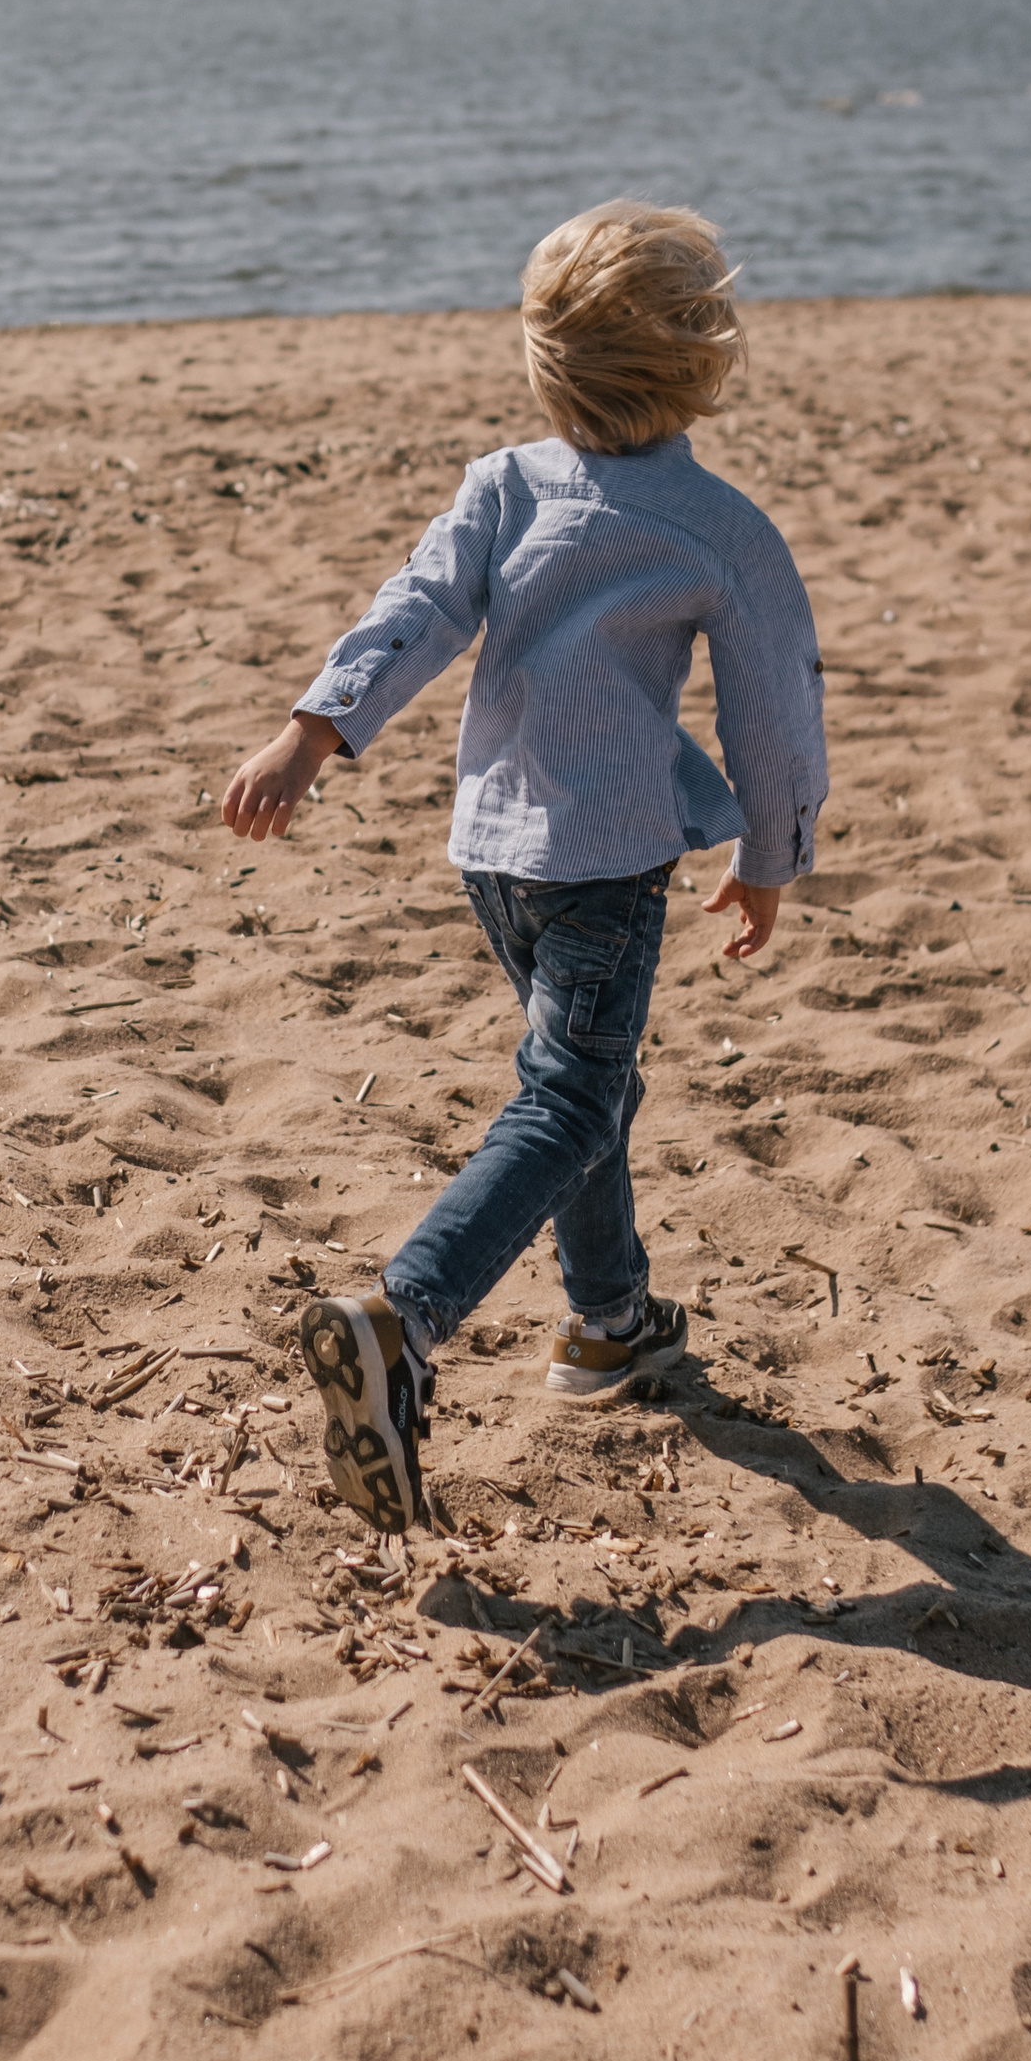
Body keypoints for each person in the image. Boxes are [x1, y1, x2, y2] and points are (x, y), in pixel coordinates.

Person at [220, 199, 828, 1534]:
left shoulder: (505, 483)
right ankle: (404, 1319)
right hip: (605, 866)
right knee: (565, 1103)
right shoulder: (719, 525)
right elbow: (774, 711)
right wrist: (772, 853)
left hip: (492, 852)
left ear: (542, 363)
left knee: (581, 1085)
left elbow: (414, 611)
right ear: (705, 364)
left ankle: (610, 1324)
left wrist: (312, 734)